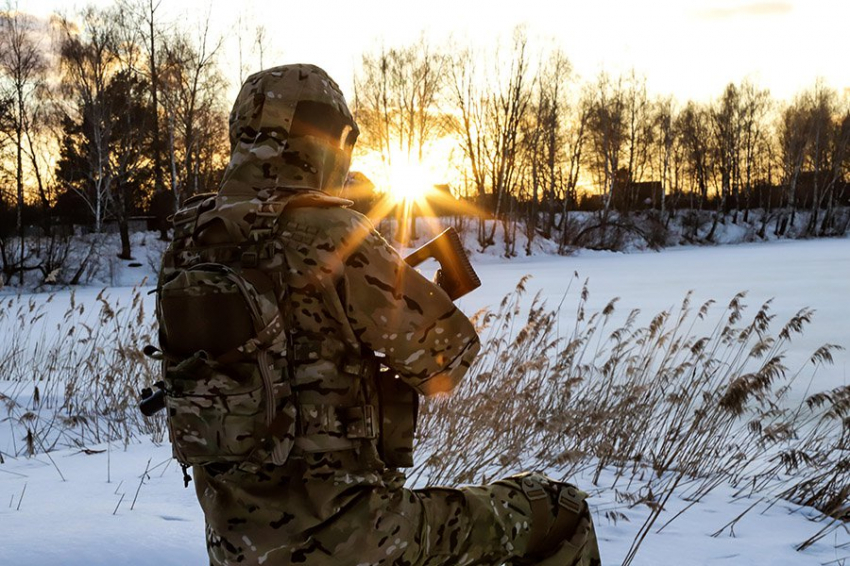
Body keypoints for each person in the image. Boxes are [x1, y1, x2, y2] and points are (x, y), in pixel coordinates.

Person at [161, 63, 601, 566]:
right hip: (357, 538)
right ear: (328, 137)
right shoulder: (331, 232)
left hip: (237, 549)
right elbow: (446, 361)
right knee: (560, 510)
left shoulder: (188, 243)